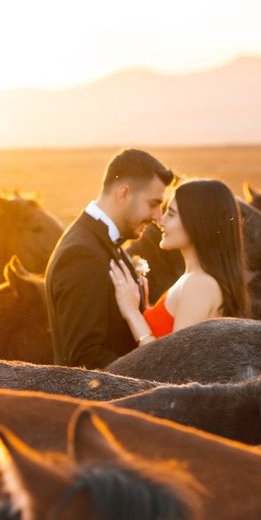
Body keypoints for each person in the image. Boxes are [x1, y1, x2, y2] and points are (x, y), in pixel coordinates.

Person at [45, 148, 174, 368]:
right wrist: (148, 378)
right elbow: (83, 358)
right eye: (153, 204)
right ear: (123, 194)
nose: (157, 216)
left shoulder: (102, 241)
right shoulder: (81, 255)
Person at [111, 178, 249, 346]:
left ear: (198, 223)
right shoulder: (192, 279)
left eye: (171, 214)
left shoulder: (199, 285)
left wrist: (132, 313)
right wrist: (144, 306)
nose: (161, 222)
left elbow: (173, 367)